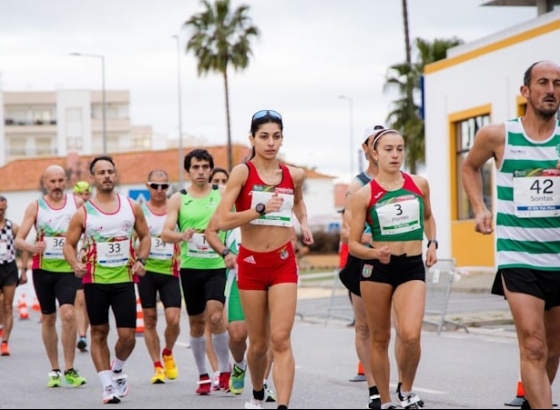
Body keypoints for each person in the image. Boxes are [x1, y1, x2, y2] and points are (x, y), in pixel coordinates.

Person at [461, 60, 560, 410]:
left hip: (557, 256)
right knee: (533, 345)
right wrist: (479, 207)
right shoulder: (498, 136)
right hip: (517, 254)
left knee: (552, 348)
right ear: (526, 91)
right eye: (543, 82)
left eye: (558, 84)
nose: (551, 90)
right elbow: (469, 166)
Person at [217, 109, 314, 409]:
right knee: (257, 345)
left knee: (281, 338)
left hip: (283, 262)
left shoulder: (293, 174)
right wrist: (258, 211)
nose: (271, 142)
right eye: (264, 136)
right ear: (252, 139)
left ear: (282, 139)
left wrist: (305, 223)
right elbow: (222, 219)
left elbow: (297, 201)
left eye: (276, 136)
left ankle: (283, 405)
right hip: (251, 264)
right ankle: (257, 392)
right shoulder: (242, 173)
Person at [348, 127, 437, 410]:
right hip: (377, 269)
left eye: (399, 148)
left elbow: (429, 216)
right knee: (381, 337)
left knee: (410, 334)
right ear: (375, 154)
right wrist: (374, 252)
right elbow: (352, 245)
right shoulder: (363, 194)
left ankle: (406, 389)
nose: (395, 155)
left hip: (411, 266)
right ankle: (384, 401)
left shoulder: (419, 184)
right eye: (388, 149)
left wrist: (432, 242)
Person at [63, 155, 151, 404]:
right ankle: (107, 387)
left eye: (110, 171)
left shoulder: (131, 206)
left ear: (115, 174)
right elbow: (69, 245)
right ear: (92, 178)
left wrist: (141, 260)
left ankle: (117, 369)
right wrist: (75, 264)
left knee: (128, 337)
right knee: (99, 332)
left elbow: (145, 236)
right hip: (95, 280)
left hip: (124, 279)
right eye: (101, 172)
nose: (107, 176)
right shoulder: (83, 213)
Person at [161, 149, 231, 396]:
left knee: (215, 316)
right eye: (195, 167)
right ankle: (203, 374)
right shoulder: (178, 199)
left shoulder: (222, 195)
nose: (200, 171)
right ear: (188, 171)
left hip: (216, 266)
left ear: (211, 169)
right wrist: (183, 235)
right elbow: (165, 233)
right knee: (197, 323)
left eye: (204, 166)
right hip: (190, 268)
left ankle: (224, 369)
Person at [205, 166, 277, 401]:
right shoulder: (230, 205)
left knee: (269, 336)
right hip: (240, 276)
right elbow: (211, 232)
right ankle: (239, 364)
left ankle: (263, 383)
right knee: (237, 335)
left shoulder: (271, 200)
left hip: (270, 273)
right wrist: (226, 252)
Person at [14, 165, 87, 388]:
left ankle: (70, 368)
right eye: (52, 181)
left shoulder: (77, 204)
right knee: (48, 317)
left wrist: (81, 255)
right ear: (45, 183)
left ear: (65, 181)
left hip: (68, 269)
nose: (56, 185)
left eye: (60, 181)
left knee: (67, 313)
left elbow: (90, 233)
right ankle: (55, 369)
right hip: (43, 270)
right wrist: (32, 247)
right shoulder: (35, 207)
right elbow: (19, 240)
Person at [338, 126, 381, 409]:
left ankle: (403, 386)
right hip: (364, 261)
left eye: (388, 143)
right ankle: (375, 388)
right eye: (375, 143)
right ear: (366, 149)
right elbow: (344, 232)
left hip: (398, 262)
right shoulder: (357, 185)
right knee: (365, 328)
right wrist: (367, 238)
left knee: (400, 329)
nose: (383, 148)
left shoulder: (405, 182)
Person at [137, 170, 181, 384]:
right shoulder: (141, 211)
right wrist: (136, 261)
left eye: (164, 186)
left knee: (173, 319)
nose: (160, 190)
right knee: (150, 319)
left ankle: (168, 352)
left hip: (170, 270)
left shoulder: (175, 209)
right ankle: (157, 366)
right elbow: (131, 238)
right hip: (147, 271)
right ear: (148, 186)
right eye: (155, 186)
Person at [0, 195, 29, 356]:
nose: (1, 212)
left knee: (8, 305)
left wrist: (24, 269)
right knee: (0, 302)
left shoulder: (13, 227)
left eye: (3, 209)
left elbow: (23, 246)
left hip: (9, 267)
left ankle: (5, 342)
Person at [73, 180, 92, 353]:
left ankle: (83, 336)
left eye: (87, 194)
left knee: (83, 300)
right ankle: (81, 334)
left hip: (87, 262)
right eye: (81, 194)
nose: (84, 198)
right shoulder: (72, 213)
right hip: (71, 261)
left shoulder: (94, 213)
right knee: (77, 301)